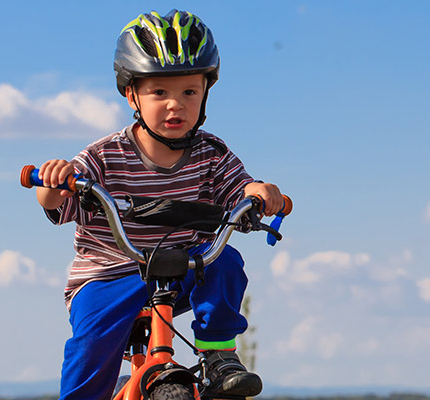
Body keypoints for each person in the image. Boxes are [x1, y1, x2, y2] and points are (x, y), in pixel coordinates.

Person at [33, 9, 283, 400]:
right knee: (91, 349)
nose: (175, 105)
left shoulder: (211, 154)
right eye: (159, 93)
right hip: (109, 275)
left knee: (225, 261)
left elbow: (242, 189)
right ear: (132, 94)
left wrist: (261, 193)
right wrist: (54, 183)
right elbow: (56, 200)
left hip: (182, 268)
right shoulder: (104, 156)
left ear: (205, 93)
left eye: (189, 92)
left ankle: (218, 357)